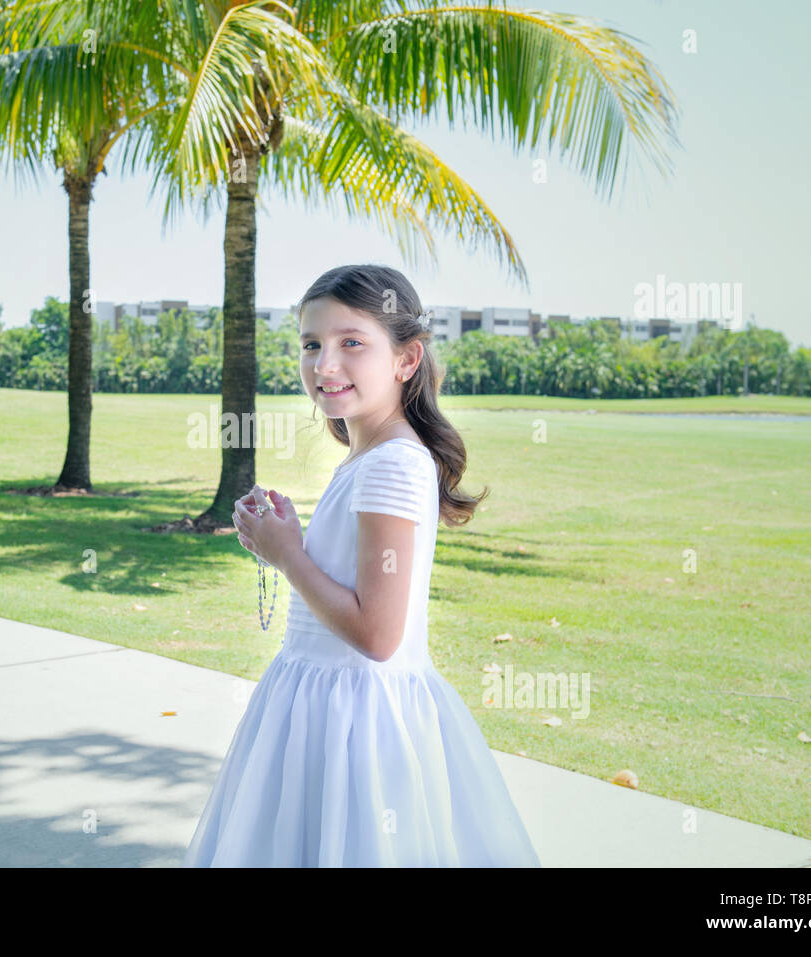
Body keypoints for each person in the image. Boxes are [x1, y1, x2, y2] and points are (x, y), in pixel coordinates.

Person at [181, 263, 541, 867]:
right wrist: (291, 536)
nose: (325, 365)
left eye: (353, 343)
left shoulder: (392, 463)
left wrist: (286, 553)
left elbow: (376, 634)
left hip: (355, 725)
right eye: (311, 344)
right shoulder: (367, 456)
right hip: (319, 706)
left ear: (406, 360)